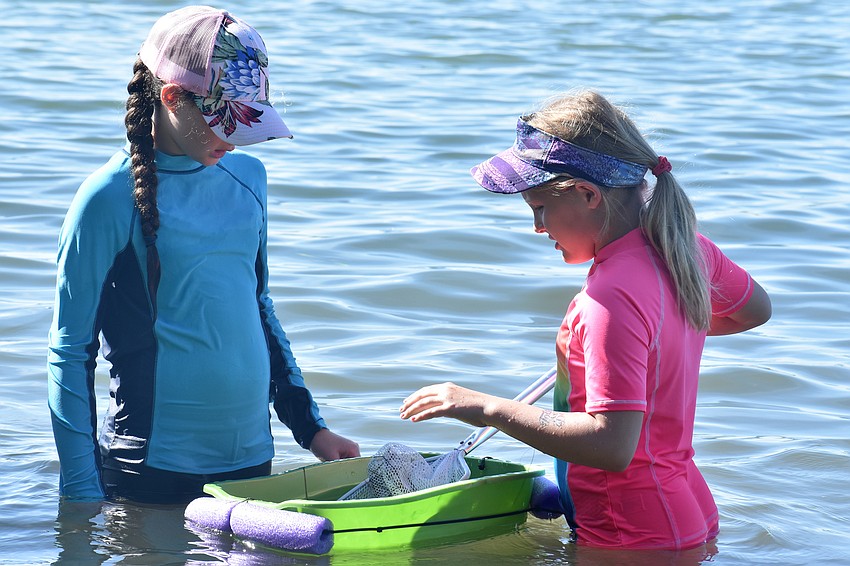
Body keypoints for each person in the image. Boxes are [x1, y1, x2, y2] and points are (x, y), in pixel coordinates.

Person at [400, 90, 771, 550]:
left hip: (632, 529)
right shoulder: (686, 246)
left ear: (587, 194)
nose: (538, 227)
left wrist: (483, 406)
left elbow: (611, 445)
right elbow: (755, 310)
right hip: (683, 505)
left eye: (540, 208)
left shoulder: (608, 296)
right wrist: (653, 340)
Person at [48, 6, 359, 504]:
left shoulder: (249, 180)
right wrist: (81, 493)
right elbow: (70, 350)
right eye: (225, 123)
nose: (236, 141)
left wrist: (311, 429)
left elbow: (259, 308)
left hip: (254, 466)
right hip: (148, 473)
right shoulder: (107, 198)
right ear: (172, 97)